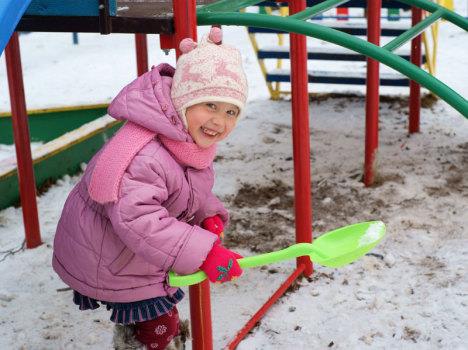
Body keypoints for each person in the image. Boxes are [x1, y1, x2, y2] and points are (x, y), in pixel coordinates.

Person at [52, 27, 247, 350]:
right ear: (183, 102)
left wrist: (208, 215)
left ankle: (140, 336)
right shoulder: (145, 155)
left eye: (231, 112)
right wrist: (205, 250)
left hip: (131, 250)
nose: (219, 121)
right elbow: (138, 219)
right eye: (210, 105)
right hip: (111, 255)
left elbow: (186, 186)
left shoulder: (180, 137)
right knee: (159, 323)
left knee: (157, 315)